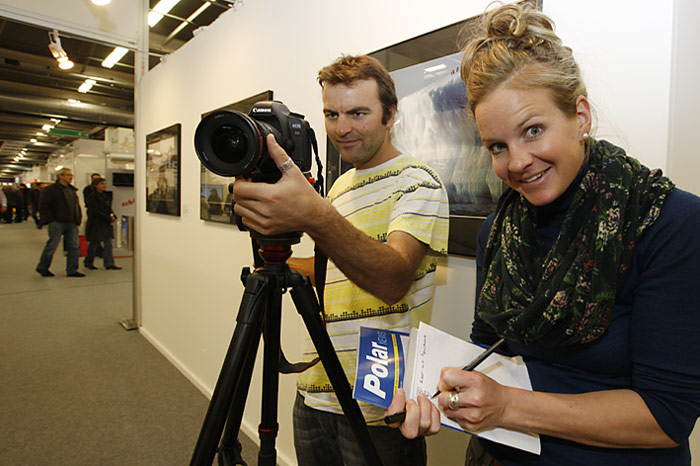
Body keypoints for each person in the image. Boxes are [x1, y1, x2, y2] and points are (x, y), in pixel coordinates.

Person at [387, 4, 700, 466]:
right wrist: (434, 390)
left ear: (581, 116)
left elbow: (665, 415)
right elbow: (488, 347)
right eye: (497, 146)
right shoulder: (499, 230)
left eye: (533, 131)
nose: (516, 163)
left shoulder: (668, 222)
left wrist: (509, 406)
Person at [232, 55, 450, 466]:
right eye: (331, 114)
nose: (341, 128)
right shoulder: (340, 187)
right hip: (316, 387)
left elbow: (391, 279)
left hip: (379, 402)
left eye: (357, 113)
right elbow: (333, 272)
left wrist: (314, 214)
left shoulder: (419, 181)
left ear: (390, 115)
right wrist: (275, 265)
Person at [36, 168, 85, 277]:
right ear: (60, 176)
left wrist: (78, 218)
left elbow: (76, 206)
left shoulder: (72, 190)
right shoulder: (50, 190)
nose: (70, 177)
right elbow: (44, 206)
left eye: (71, 175)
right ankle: (43, 267)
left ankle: (72, 270)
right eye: (68, 175)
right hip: (57, 222)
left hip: (71, 222)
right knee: (52, 246)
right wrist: (50, 219)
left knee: (74, 247)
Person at [84, 177, 121, 270]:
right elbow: (95, 210)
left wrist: (113, 215)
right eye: (101, 184)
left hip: (105, 223)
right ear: (96, 185)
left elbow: (108, 208)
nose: (104, 186)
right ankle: (88, 261)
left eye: (104, 184)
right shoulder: (92, 196)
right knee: (94, 243)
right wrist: (108, 217)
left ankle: (109, 263)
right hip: (96, 223)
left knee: (108, 243)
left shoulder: (104, 196)